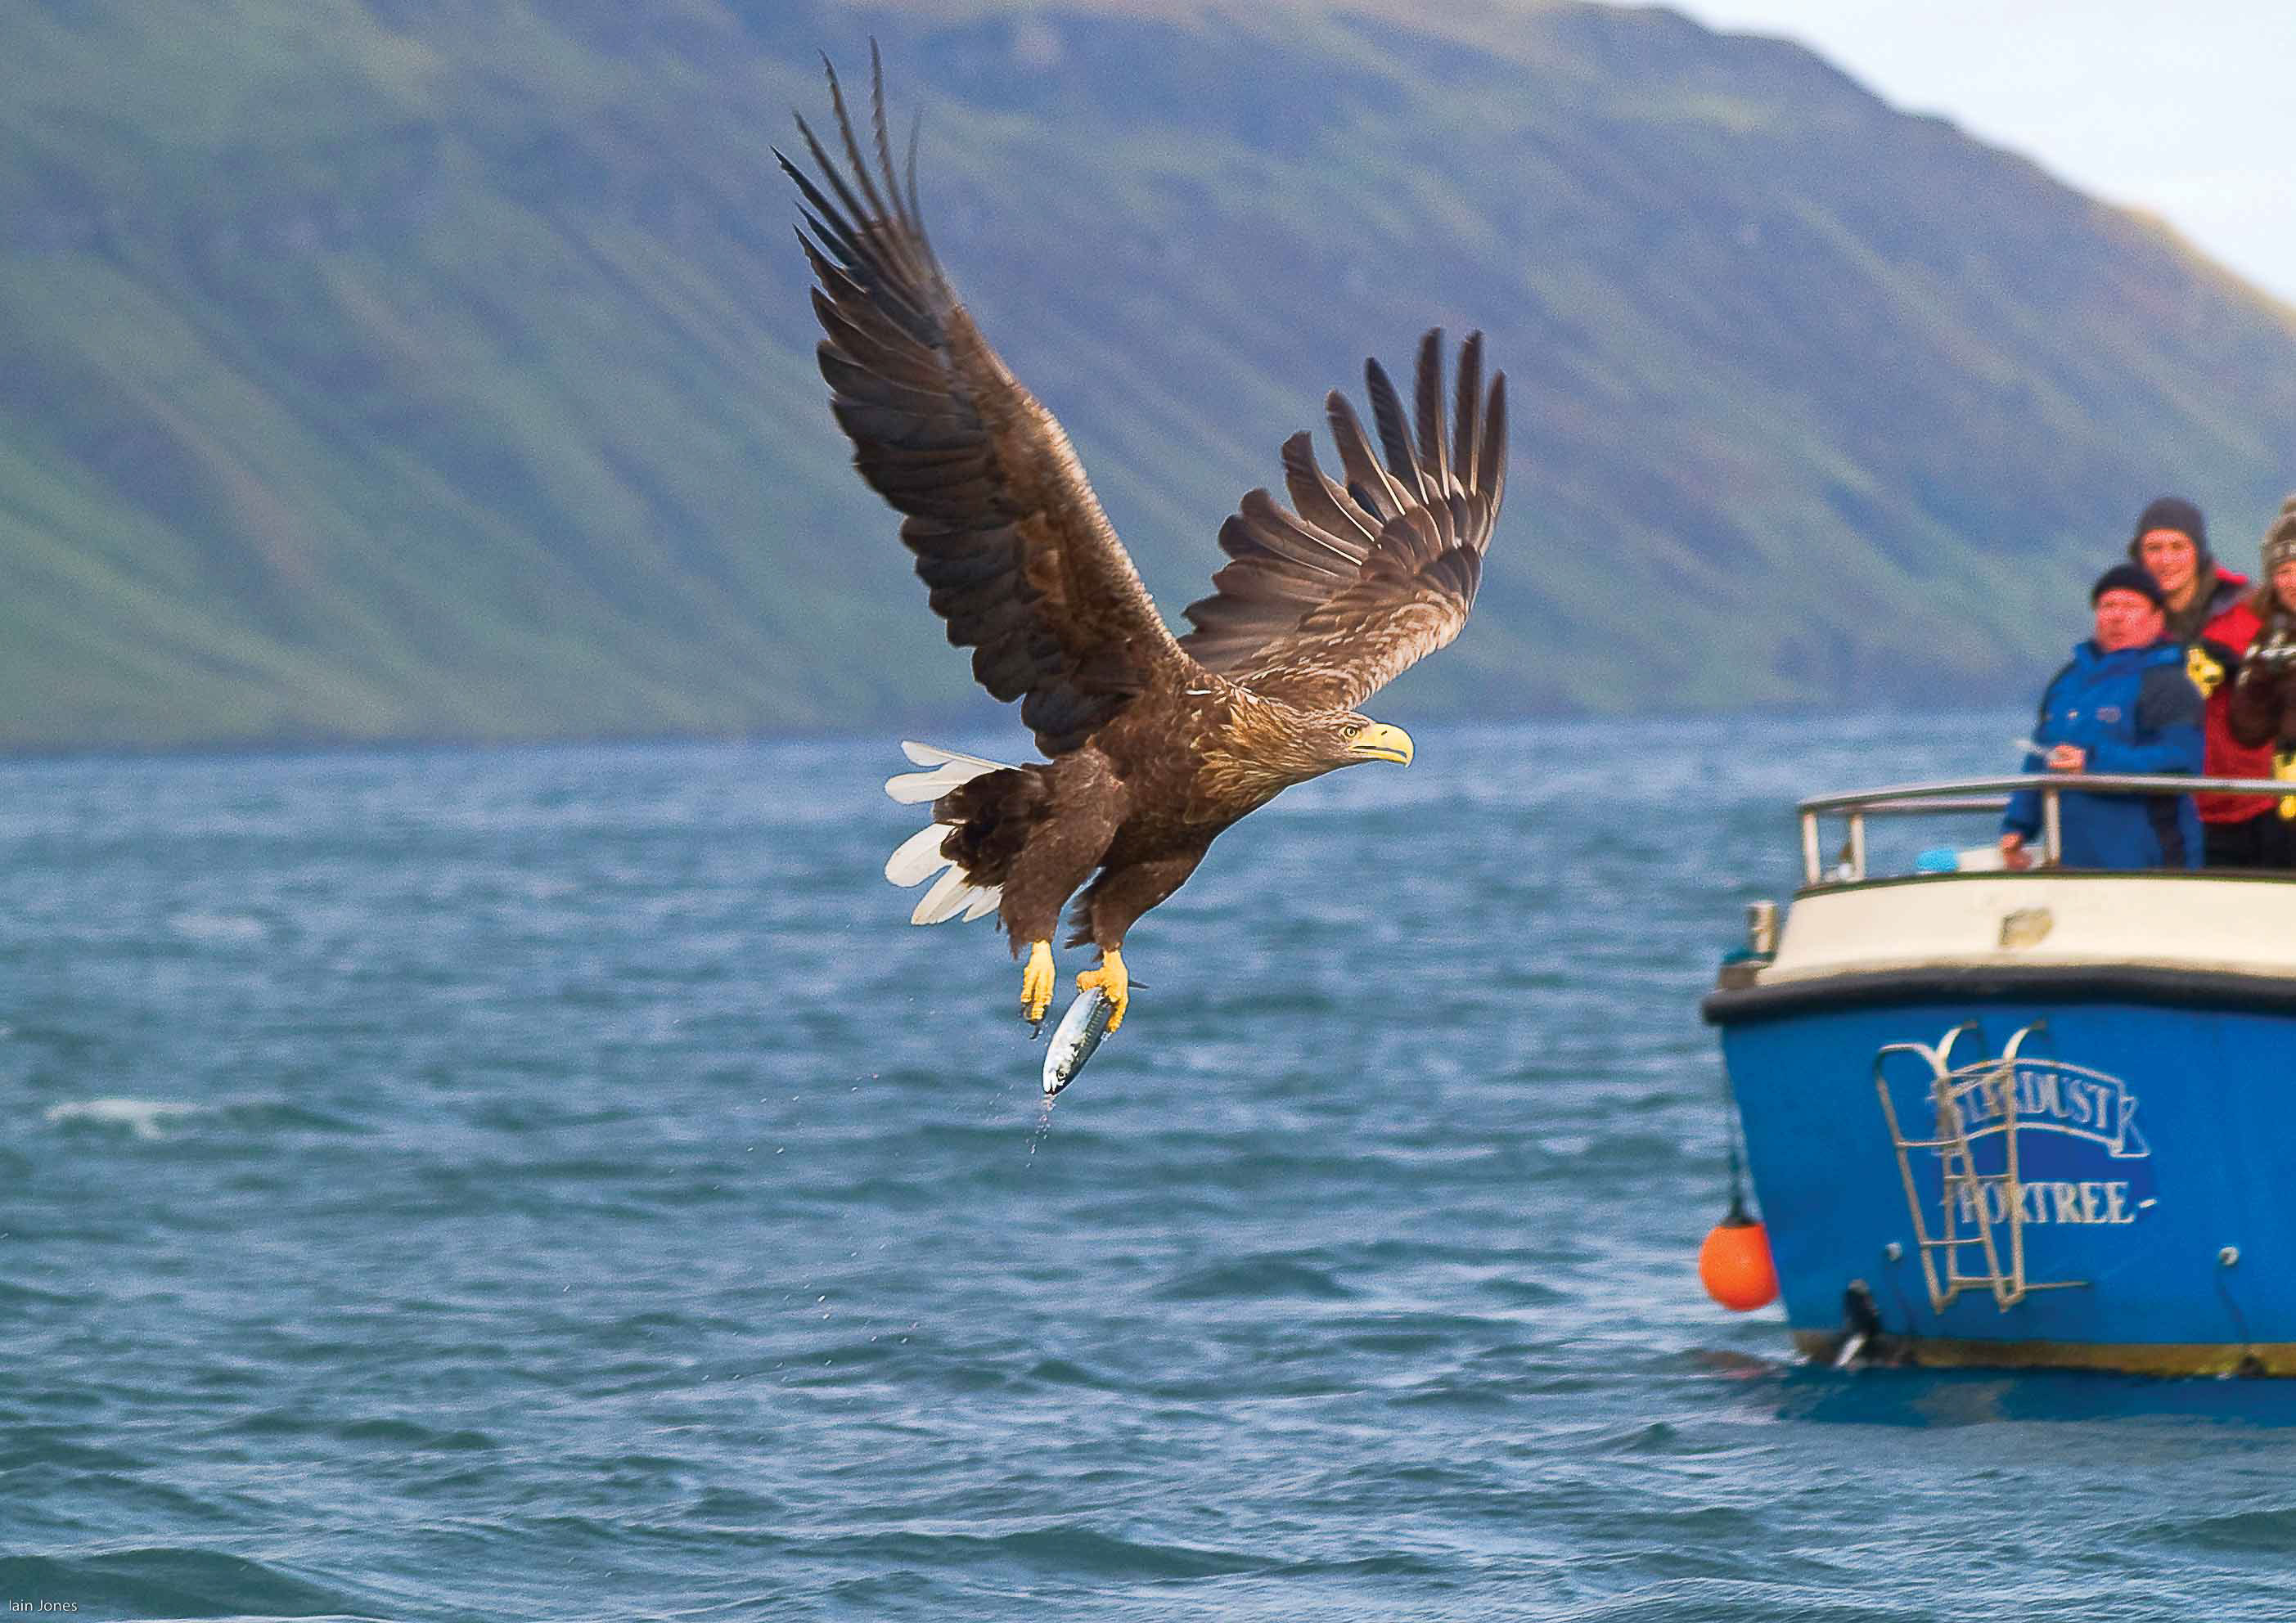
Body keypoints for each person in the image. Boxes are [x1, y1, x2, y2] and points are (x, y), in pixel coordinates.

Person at [2000, 564, 2204, 871]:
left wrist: (2093, 763)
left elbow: (2181, 761)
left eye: (2131, 606)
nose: (2117, 616)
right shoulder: (2066, 682)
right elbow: (2040, 756)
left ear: (2156, 619)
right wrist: (2017, 826)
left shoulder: (2169, 683)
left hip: (2152, 864)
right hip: (2073, 863)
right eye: (2108, 606)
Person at [2123, 495, 2270, 862]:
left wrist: (2248, 671)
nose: (2166, 559)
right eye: (2154, 548)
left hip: (2258, 805)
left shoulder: (2250, 608)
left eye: (2178, 546)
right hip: (2170, 812)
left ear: (2199, 552)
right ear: (2138, 555)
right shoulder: (2128, 621)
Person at [2225, 498, 2296, 865]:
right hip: (2285, 810)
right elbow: (2247, 729)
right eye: (2283, 570)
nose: (2292, 581)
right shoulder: (2271, 638)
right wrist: (2264, 675)